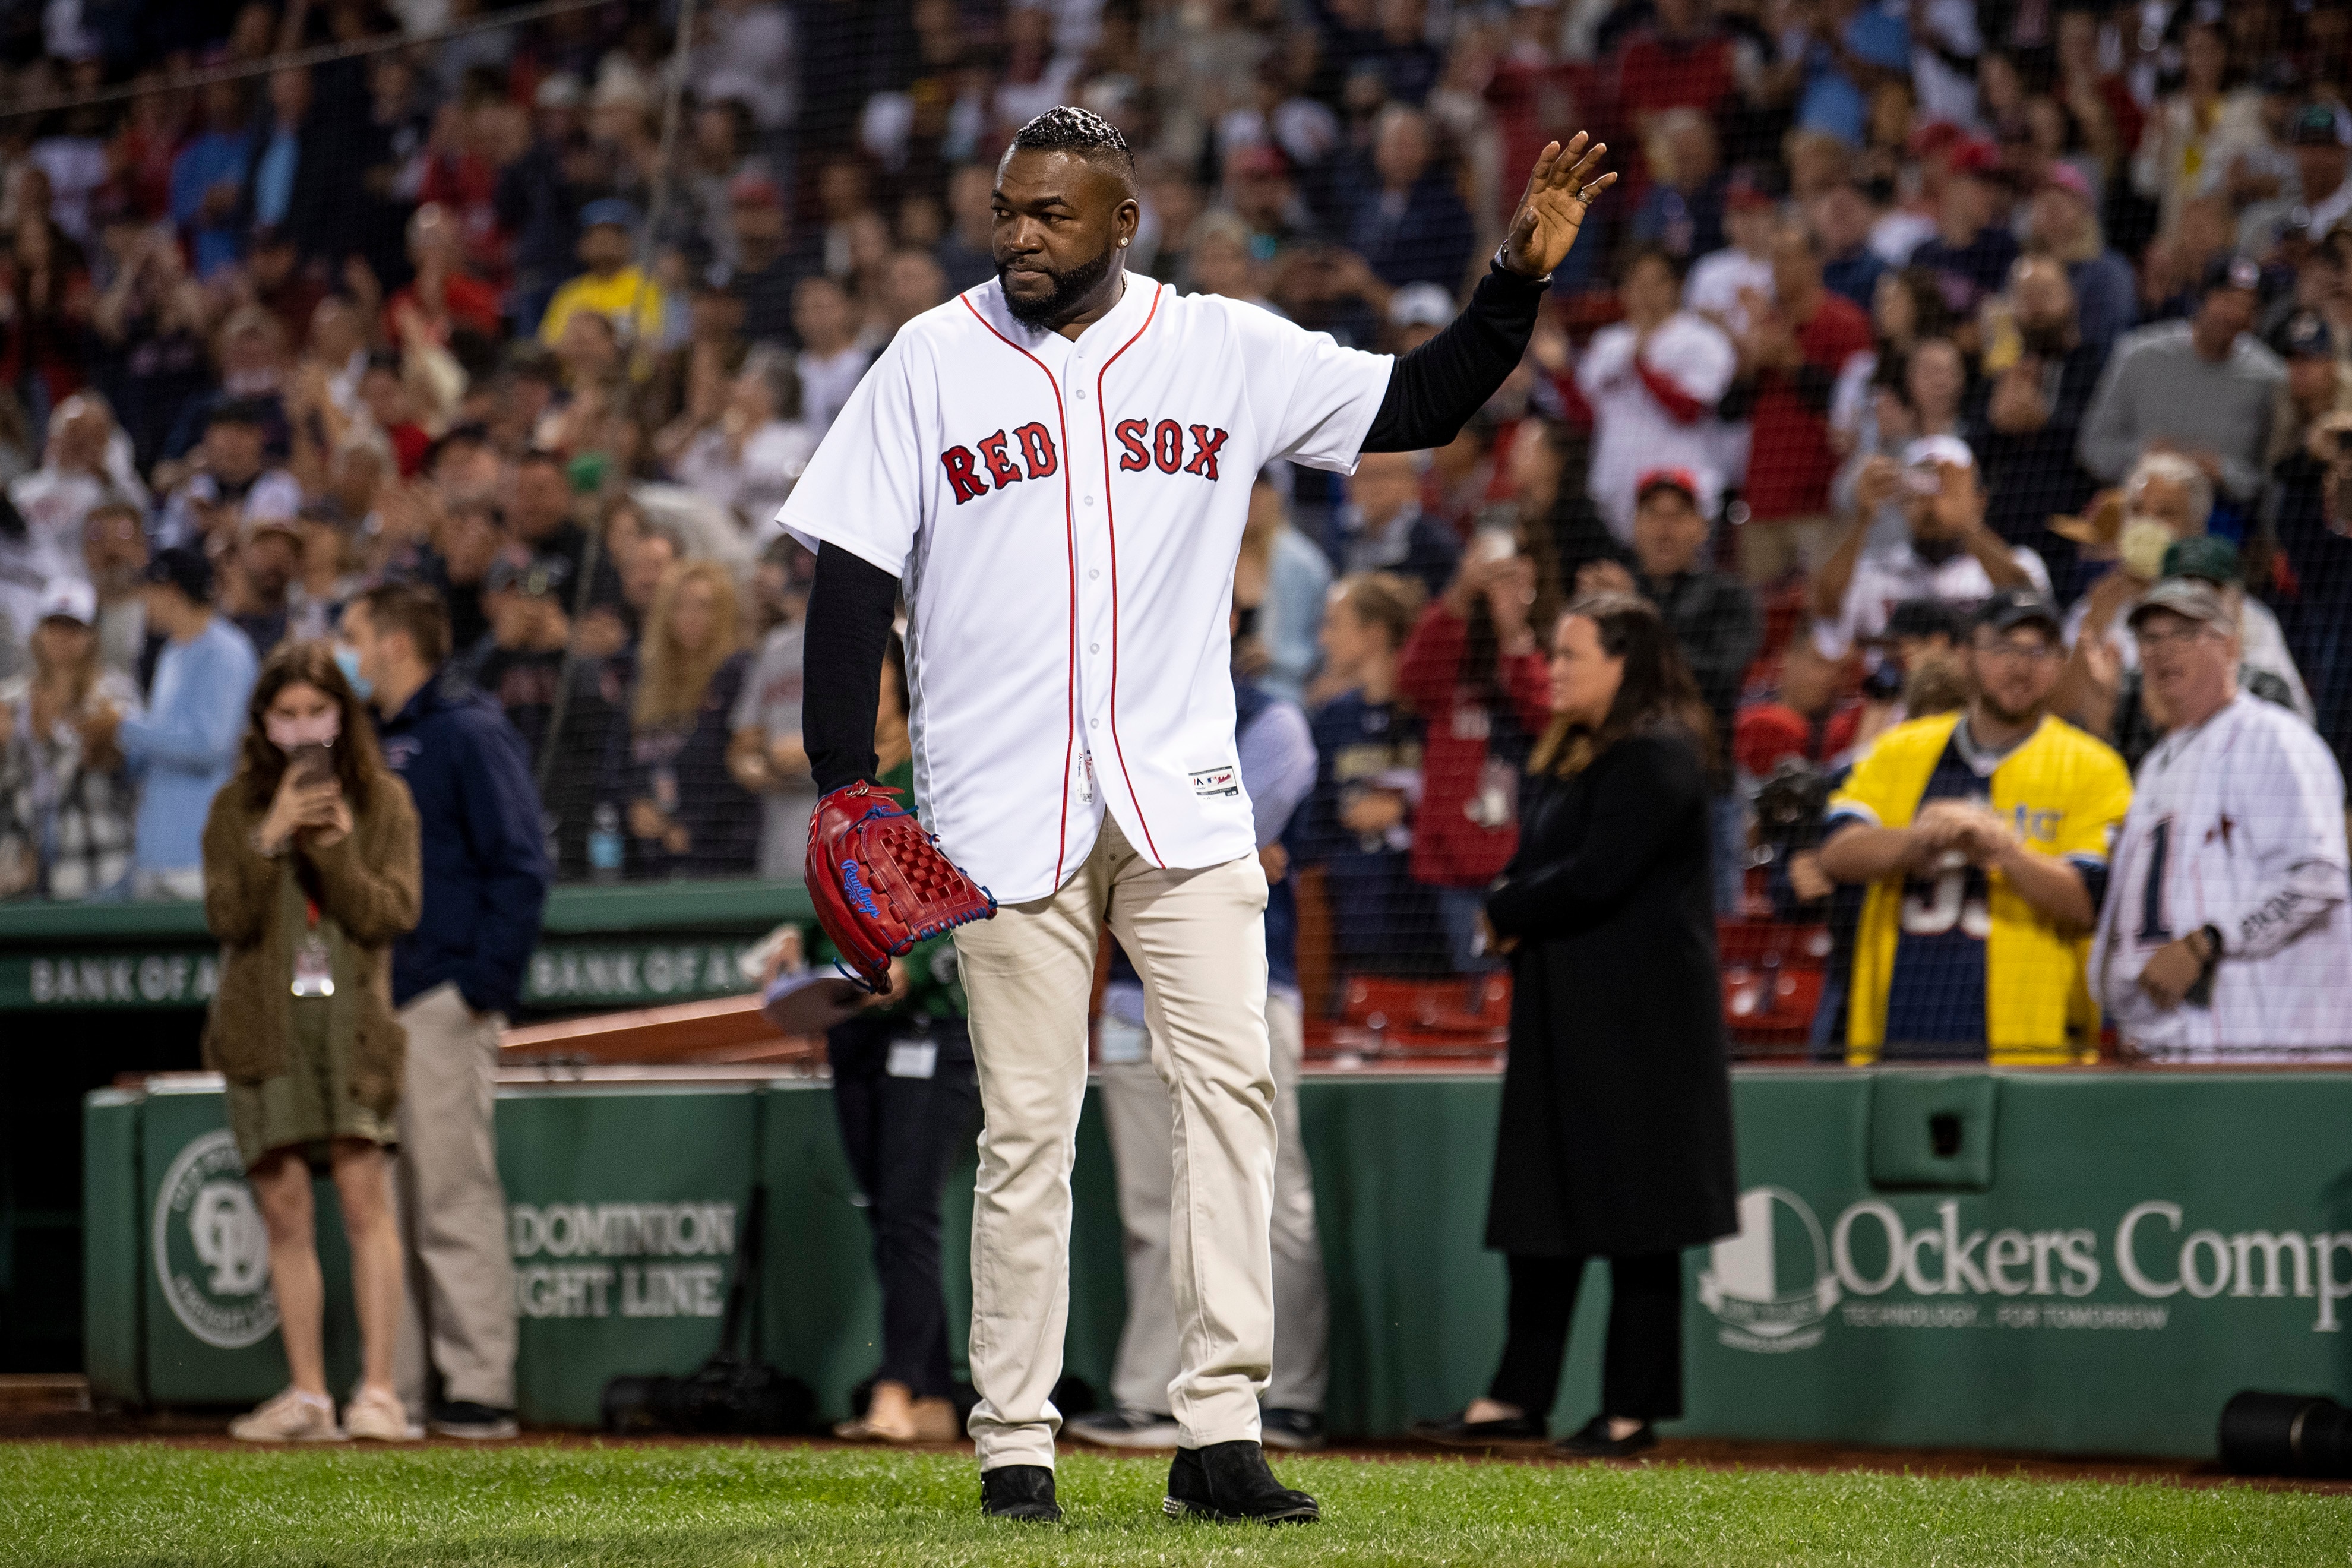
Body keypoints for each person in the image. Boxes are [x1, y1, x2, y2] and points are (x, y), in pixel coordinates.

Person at [786, 106, 1613, 1525]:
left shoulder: (1221, 345)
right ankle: (1013, 1446)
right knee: (1027, 1131)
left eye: (1051, 213)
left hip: (1183, 793)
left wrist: (1514, 281)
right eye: (1006, 210)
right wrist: (850, 788)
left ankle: (1218, 1429)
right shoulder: (929, 358)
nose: (1021, 234)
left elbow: (1416, 404)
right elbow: (850, 580)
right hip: (997, 808)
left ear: (1123, 222)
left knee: (1231, 1097)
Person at [1412, 593, 1734, 1458]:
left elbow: (1594, 877)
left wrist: (1510, 905)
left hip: (1643, 1038)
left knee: (1640, 1225)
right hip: (1568, 1023)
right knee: (1542, 1216)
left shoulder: (1658, 755)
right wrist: (1511, 898)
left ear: (1624, 662)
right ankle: (1517, 1396)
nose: (1553, 671)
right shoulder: (1579, 758)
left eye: (1571, 656)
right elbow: (1534, 865)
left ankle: (1631, 1413)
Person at [1072, 598, 1327, 1453]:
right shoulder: (1113, 712)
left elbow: (1214, 842)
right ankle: (1152, 1396)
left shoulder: (1272, 718)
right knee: (1153, 1206)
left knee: (1265, 1189)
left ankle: (1286, 1394)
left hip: (1250, 985)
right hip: (1128, 998)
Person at [341, 580, 550, 1440]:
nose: (346, 651)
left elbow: (522, 863)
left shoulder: (466, 730)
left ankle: (477, 1385)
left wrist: (478, 988)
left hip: (436, 996)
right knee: (380, 1200)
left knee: (450, 1194)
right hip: (372, 999)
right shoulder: (368, 743)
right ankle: (402, 1387)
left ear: (394, 642)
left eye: (354, 634)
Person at [201, 641, 421, 1444]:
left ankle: (379, 1392)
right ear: (264, 722)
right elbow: (227, 918)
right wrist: (272, 833)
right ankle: (307, 1396)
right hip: (266, 1031)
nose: (302, 729)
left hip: (352, 1029)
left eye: (316, 711)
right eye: (286, 713)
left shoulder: (386, 801)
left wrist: (330, 846)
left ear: (343, 715)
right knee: (285, 1211)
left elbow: (390, 915)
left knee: (366, 1202)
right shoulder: (234, 807)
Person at [1817, 592, 2133, 1061]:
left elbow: (2090, 904)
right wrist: (1918, 839)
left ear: (2060, 664)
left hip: (2032, 1044)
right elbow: (1837, 854)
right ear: (1966, 655)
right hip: (1901, 1031)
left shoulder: (2093, 767)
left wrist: (2003, 851)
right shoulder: (1901, 749)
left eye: (2038, 651)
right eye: (2002, 648)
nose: (2020, 667)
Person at [799, 632, 979, 1444]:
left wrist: (922, 966)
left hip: (932, 1030)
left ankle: (898, 1393)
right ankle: (935, 1394)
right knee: (888, 1214)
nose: (856, 694)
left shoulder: (938, 782)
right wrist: (800, 951)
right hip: (856, 1024)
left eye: (871, 679)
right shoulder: (845, 789)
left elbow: (972, 898)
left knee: (910, 1210)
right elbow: (834, 900)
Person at [2091, 580, 2352, 1061]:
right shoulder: (2155, 765)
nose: (2164, 650)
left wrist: (2207, 941)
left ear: (2230, 646)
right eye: (2150, 638)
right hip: (2175, 1046)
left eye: (2185, 634)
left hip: (2274, 1047)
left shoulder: (2274, 738)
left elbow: (2318, 877)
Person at [1576, 470, 1759, 913]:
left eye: (1678, 516)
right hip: (1622, 796)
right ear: (1634, 527)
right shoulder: (1609, 601)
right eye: (1652, 515)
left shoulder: (1729, 598)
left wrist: (1636, 612)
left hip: (1706, 794)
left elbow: (1717, 674)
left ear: (1701, 528)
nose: (1664, 528)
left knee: (1715, 932)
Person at [1295, 572, 1442, 978]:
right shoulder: (1332, 720)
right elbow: (1315, 828)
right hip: (1354, 924)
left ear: (1374, 634)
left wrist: (1404, 810)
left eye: (1334, 624)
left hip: (1432, 922)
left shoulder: (1431, 716)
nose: (1324, 639)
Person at [1727, 222, 1875, 584]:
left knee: (1818, 611)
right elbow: (1727, 412)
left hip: (1820, 501)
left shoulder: (1845, 321)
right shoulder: (1763, 326)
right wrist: (1746, 367)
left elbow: (1850, 403)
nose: (1780, 268)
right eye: (1775, 259)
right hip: (1762, 501)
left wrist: (1789, 361)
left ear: (1815, 262)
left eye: (1790, 258)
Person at [2079, 256, 2286, 513]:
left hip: (2222, 520)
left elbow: (2271, 478)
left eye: (2248, 307)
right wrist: (2145, 456)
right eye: (2226, 300)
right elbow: (2093, 447)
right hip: (2137, 508)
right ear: (2201, 300)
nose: (2235, 315)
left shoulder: (2270, 376)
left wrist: (2221, 471)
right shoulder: (2139, 355)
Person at [1813, 437, 2048, 662]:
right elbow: (1826, 607)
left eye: (1950, 488)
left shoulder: (2022, 562)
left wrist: (1967, 526)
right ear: (1902, 500)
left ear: (1980, 499)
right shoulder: (1875, 569)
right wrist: (1861, 518)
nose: (1933, 501)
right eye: (1921, 486)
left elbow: (2034, 609)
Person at [111, 548, 258, 899]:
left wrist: (123, 726)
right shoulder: (171, 654)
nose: (143, 601)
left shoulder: (229, 652)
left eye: (148, 590)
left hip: (202, 850)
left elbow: (211, 746)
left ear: (171, 591)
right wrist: (114, 748)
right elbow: (159, 746)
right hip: (154, 851)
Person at [1576, 247, 1735, 540]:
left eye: (1655, 282)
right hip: (1616, 486)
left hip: (1683, 487)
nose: (1645, 293)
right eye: (1636, 283)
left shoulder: (1702, 339)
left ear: (1674, 285)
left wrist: (1641, 365)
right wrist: (1561, 372)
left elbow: (1689, 411)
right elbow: (1584, 415)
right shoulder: (1608, 342)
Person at [0, 580, 143, 901]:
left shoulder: (116, 698)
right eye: (54, 626)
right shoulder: (10, 703)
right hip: (22, 865)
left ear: (92, 636)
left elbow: (132, 776)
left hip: (97, 858)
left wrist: (108, 739)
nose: (62, 638)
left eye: (73, 628)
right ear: (38, 633)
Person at [621, 561, 759, 878]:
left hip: (722, 856)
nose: (690, 617)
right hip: (649, 859)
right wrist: (634, 805)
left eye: (704, 607)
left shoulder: (738, 674)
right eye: (679, 606)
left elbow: (742, 765)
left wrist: (694, 828)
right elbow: (617, 765)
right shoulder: (645, 681)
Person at [728, 546, 817, 881]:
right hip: (782, 841)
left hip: (851, 830)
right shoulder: (776, 646)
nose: (807, 604)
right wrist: (759, 766)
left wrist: (813, 756)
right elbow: (743, 745)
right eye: (802, 593)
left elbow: (895, 741)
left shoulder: (882, 644)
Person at [538, 199, 665, 352]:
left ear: (627, 242)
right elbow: (549, 345)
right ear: (582, 244)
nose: (603, 241)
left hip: (628, 375)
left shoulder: (646, 285)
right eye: (595, 234)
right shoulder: (569, 292)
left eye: (613, 234)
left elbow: (652, 339)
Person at [1337, 450, 1459, 599]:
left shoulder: (1437, 546)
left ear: (1413, 481)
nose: (1375, 488)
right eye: (1364, 476)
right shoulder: (1339, 536)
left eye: (1385, 475)